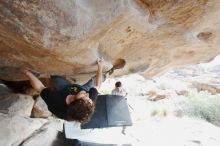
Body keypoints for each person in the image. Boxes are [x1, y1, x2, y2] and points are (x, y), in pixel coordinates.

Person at [24, 58, 105, 123]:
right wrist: (100, 67)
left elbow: (40, 88)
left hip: (63, 89)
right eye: (89, 98)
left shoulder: (56, 102)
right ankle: (89, 80)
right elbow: (98, 86)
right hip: (74, 88)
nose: (87, 95)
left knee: (55, 76)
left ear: (72, 102)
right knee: (90, 85)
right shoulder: (88, 102)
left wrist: (28, 73)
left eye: (84, 97)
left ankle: (69, 82)